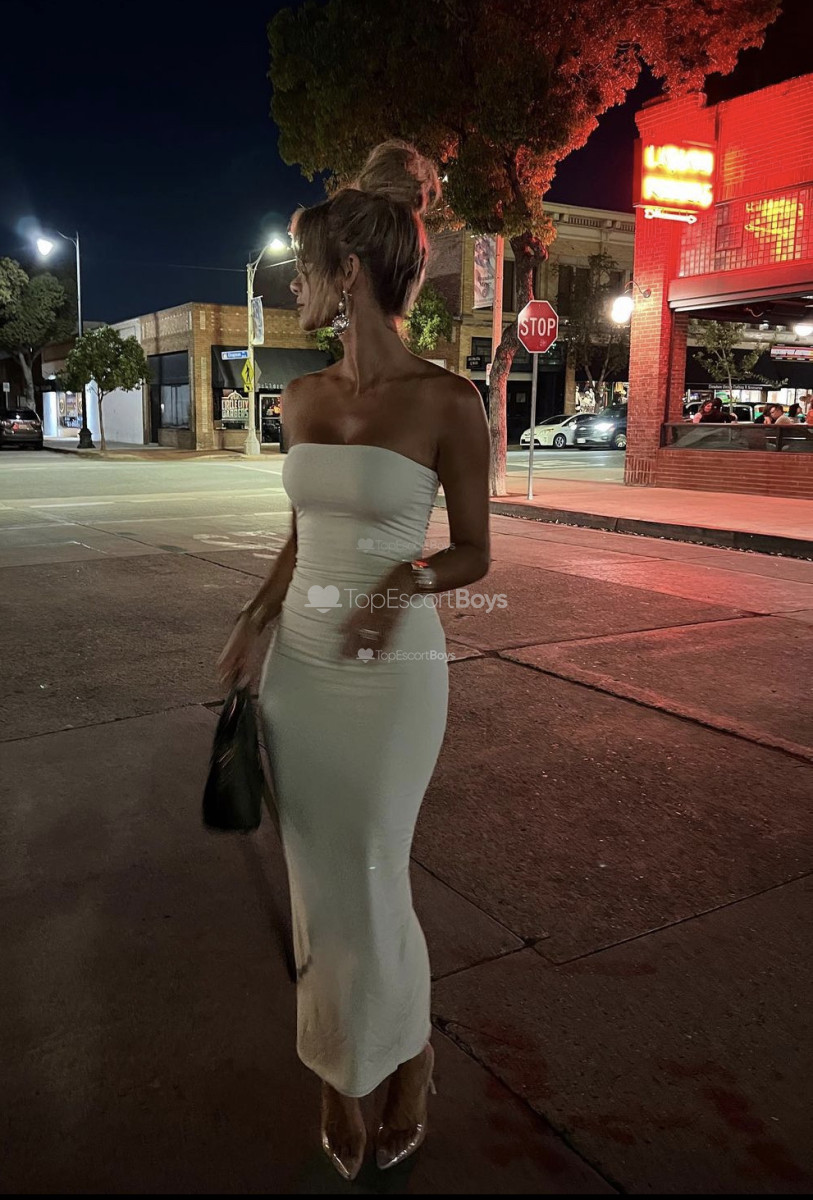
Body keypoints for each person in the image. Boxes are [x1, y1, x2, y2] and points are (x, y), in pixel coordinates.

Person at [218, 141, 490, 1182]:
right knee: (317, 882)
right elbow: (302, 540)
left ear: (351, 272)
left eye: (307, 269)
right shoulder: (303, 399)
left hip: (392, 677)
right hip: (301, 673)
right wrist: (254, 621)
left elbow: (472, 553)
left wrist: (398, 585)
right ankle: (337, 1071)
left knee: (373, 873)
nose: (296, 286)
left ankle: (409, 1056)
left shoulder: (447, 400)